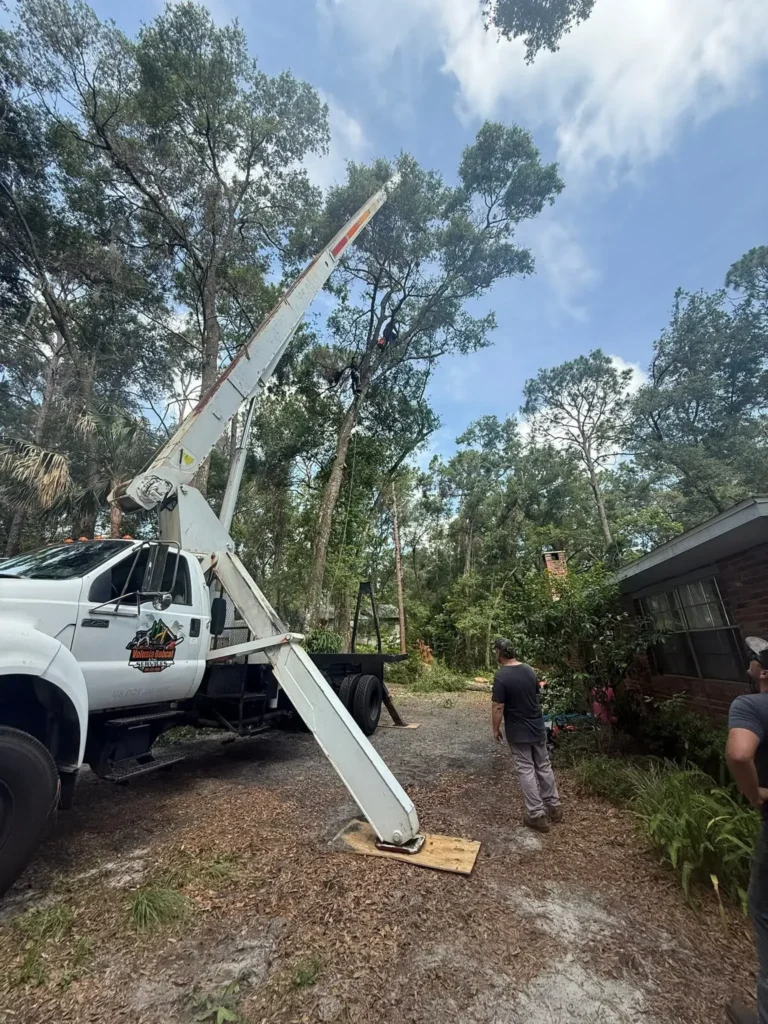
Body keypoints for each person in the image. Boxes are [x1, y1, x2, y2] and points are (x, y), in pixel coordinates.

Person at [726, 645, 768, 1024]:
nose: (750, 663)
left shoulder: (751, 705)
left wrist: (756, 797)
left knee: (764, 910)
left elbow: (739, 755)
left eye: (755, 658)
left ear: (765, 672)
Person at [491, 637, 562, 832]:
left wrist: (495, 729)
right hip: (537, 727)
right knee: (544, 766)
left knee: (526, 769)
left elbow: (498, 707)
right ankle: (554, 807)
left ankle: (536, 814)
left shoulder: (501, 677)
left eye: (495, 651)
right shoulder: (529, 670)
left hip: (518, 731)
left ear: (499, 653)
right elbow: (535, 696)